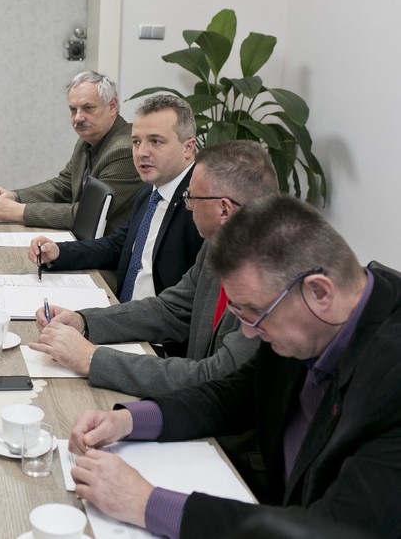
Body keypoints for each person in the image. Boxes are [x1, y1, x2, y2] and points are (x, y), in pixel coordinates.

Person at [68, 194, 401, 538]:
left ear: (319, 292)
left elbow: (336, 529)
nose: (248, 331)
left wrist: (146, 504)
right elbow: (237, 394)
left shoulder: (391, 381)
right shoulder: (305, 322)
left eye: (254, 312)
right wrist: (128, 420)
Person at [31, 141, 278, 396]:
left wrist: (92, 359)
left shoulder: (273, 280)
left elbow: (214, 377)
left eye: (191, 198)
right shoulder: (219, 243)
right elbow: (171, 309)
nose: (188, 206)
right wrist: (84, 322)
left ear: (224, 209)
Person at [29, 94, 203, 302]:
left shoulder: (202, 204)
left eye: (155, 141)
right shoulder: (151, 191)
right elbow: (118, 246)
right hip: (123, 308)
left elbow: (193, 301)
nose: (141, 152)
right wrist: (59, 252)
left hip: (158, 318)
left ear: (188, 148)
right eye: (136, 142)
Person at [0, 71, 143, 231]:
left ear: (112, 106)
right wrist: (15, 197)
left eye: (88, 108)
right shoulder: (87, 139)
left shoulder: (124, 151)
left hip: (108, 245)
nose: (78, 118)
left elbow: (89, 215)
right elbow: (63, 186)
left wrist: (20, 211)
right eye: (73, 110)